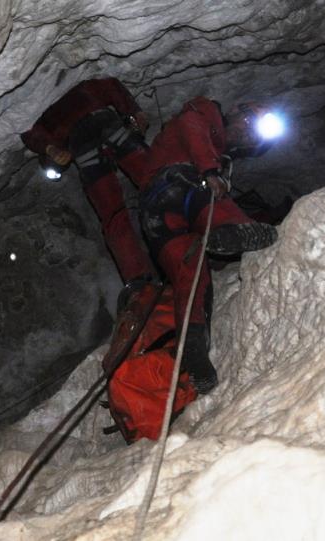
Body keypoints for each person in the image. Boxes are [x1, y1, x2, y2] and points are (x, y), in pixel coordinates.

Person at [138, 97, 282, 396]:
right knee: (212, 200)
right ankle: (233, 231)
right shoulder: (204, 112)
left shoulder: (219, 159)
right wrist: (209, 170)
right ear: (234, 110)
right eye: (249, 123)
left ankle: (194, 351)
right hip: (179, 184)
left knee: (192, 280)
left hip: (157, 217)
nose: (248, 134)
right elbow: (192, 127)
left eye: (253, 136)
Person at [21, 78, 158, 301]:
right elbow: (111, 87)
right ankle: (184, 223)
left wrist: (50, 149)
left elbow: (30, 135)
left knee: (113, 214)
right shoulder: (83, 90)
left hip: (83, 142)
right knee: (153, 180)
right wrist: (133, 111)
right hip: (102, 124)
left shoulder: (50, 118)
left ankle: (139, 280)